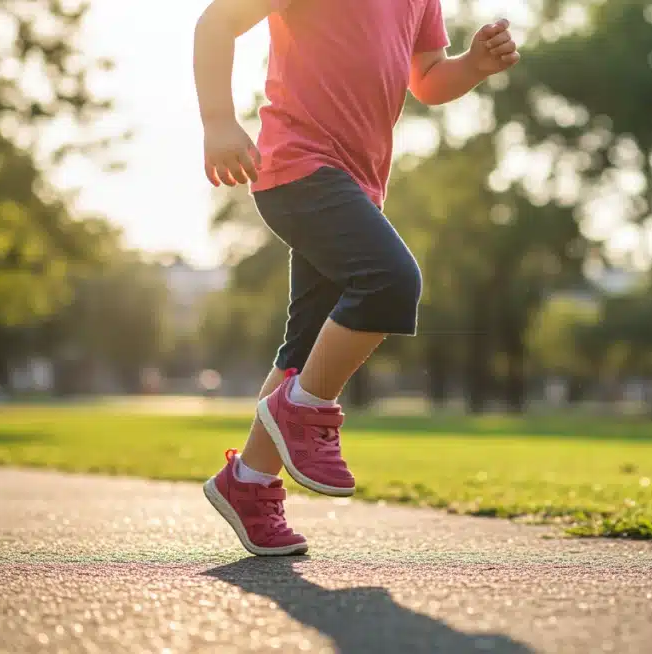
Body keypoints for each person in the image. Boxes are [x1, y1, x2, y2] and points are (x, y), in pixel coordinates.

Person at [193, 0, 520, 555]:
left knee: (303, 349)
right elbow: (216, 23)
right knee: (391, 281)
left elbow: (428, 80)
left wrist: (473, 65)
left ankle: (248, 482)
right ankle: (300, 409)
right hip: (298, 168)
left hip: (355, 184)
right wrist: (219, 122)